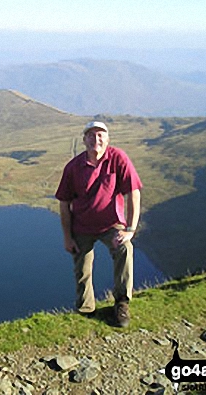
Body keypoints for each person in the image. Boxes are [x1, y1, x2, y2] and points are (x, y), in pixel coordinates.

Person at [55, 120, 142, 327]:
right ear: (84, 140)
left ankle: (121, 303)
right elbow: (64, 203)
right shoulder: (73, 167)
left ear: (108, 139)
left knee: (124, 249)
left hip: (111, 224)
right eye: (91, 135)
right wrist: (67, 237)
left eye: (101, 135)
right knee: (82, 267)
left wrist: (130, 229)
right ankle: (85, 309)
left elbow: (134, 193)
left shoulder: (118, 158)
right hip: (82, 226)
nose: (96, 139)